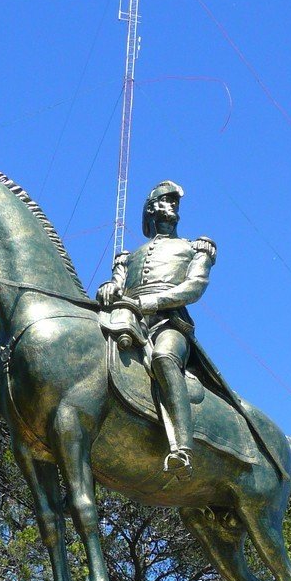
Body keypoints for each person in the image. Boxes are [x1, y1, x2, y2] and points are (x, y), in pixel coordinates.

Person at [97, 181, 216, 477]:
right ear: (151, 207)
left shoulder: (194, 248)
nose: (173, 204)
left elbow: (194, 287)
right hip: (128, 321)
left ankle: (182, 449)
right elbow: (118, 284)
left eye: (176, 201)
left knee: (164, 357)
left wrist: (154, 301)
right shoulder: (128, 257)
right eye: (166, 200)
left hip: (169, 322)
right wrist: (110, 287)